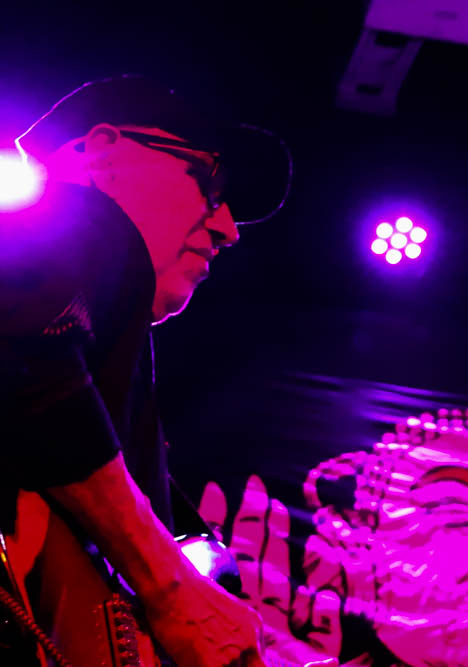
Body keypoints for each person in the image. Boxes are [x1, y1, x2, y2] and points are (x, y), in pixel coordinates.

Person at [0, 75, 292, 666]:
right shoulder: (79, 216)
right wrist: (172, 590)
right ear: (100, 152)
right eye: (210, 183)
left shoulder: (113, 361)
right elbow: (27, 353)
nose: (228, 229)